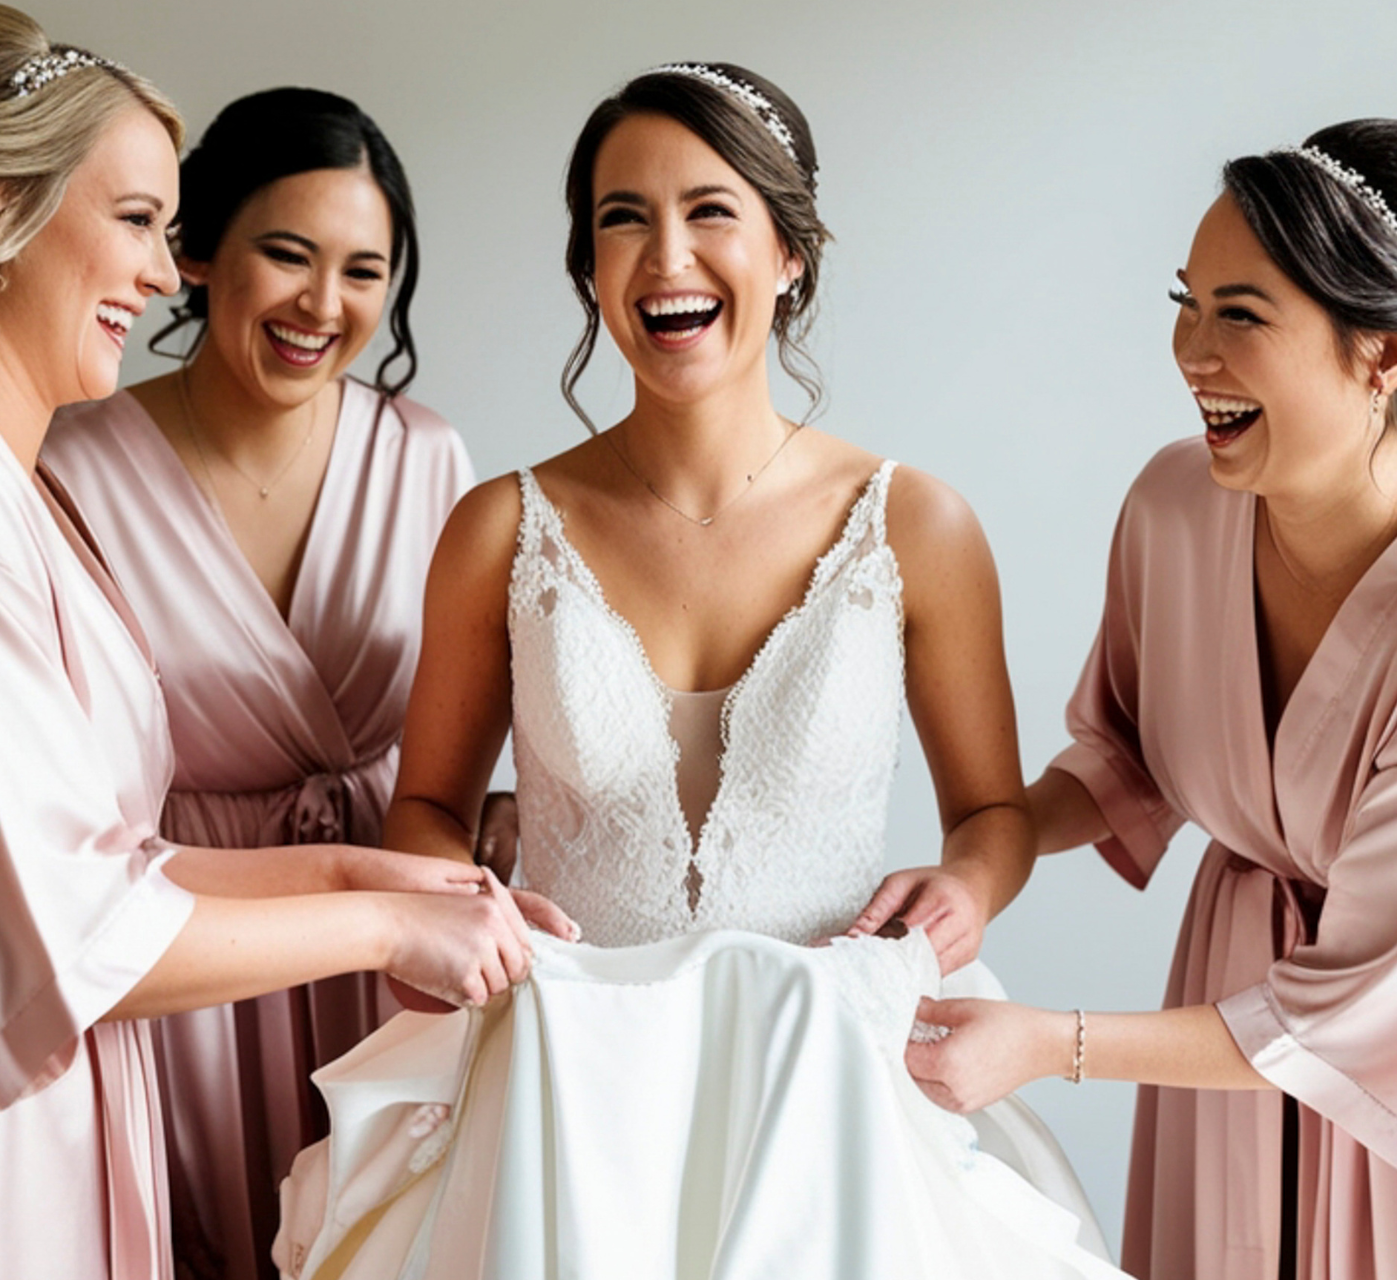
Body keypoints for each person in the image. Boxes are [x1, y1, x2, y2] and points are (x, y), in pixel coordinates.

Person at [0, 7, 531, 1277]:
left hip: (4, 1106)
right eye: (134, 219)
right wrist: (392, 934)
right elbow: (68, 932)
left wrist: (393, 881)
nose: (159, 270)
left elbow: (105, 859)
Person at [271, 63, 1122, 1280]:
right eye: (624, 219)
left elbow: (991, 812)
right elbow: (429, 807)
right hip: (563, 1095)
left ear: (791, 252)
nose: (665, 255)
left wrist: (969, 894)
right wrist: (466, 900)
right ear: (589, 270)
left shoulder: (917, 525)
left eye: (710, 210)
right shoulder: (498, 531)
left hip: (834, 1089)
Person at [906, 119, 1397, 1280]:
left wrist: (1046, 1045)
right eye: (1187, 300)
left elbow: (1376, 1009)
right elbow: (1123, 757)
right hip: (1232, 1027)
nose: (1191, 350)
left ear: (1384, 354)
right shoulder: (1176, 506)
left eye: (1242, 314)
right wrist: (984, 852)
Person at [44, 87, 514, 1280]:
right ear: (195, 254)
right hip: (188, 945)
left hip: (388, 951)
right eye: (287, 255)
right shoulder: (64, 462)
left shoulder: (430, 457)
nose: (324, 304)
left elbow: (463, 723)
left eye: (366, 270)